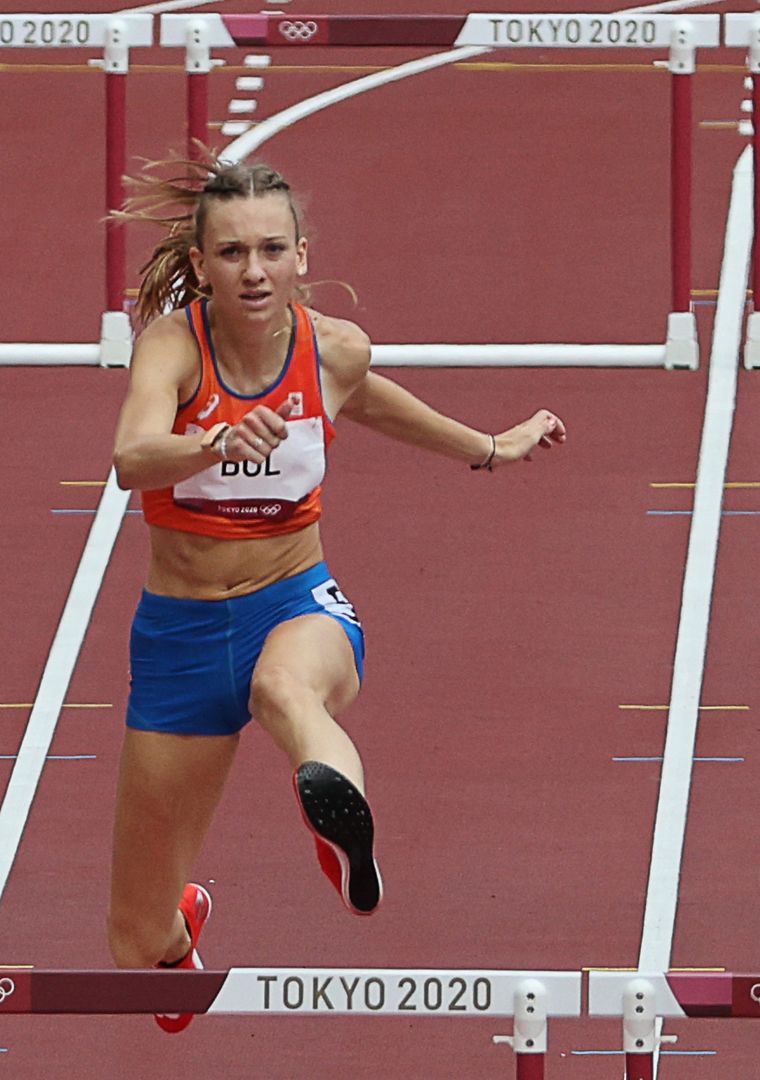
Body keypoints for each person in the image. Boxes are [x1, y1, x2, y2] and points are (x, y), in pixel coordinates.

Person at [107, 160, 566, 1030]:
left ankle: (342, 833)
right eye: (234, 252)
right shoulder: (173, 346)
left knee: (286, 690)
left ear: (301, 257)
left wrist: (493, 447)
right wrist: (213, 440)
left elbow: (385, 407)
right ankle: (179, 926)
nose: (254, 270)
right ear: (202, 265)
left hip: (295, 602)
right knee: (133, 946)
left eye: (272, 250)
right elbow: (133, 457)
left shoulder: (334, 349)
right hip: (179, 637)